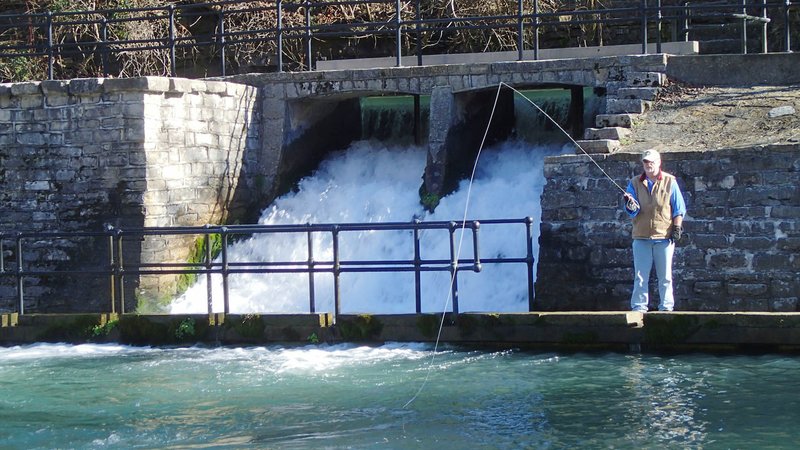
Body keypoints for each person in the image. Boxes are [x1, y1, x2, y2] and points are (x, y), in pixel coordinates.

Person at [622, 149, 686, 312]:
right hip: (641, 237)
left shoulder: (670, 181)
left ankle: (666, 307)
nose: (648, 165)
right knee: (640, 276)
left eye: (651, 161)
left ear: (658, 162)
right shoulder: (634, 182)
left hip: (663, 237)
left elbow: (679, 209)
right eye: (645, 162)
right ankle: (639, 307)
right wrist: (629, 204)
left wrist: (677, 227)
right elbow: (633, 211)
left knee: (665, 277)